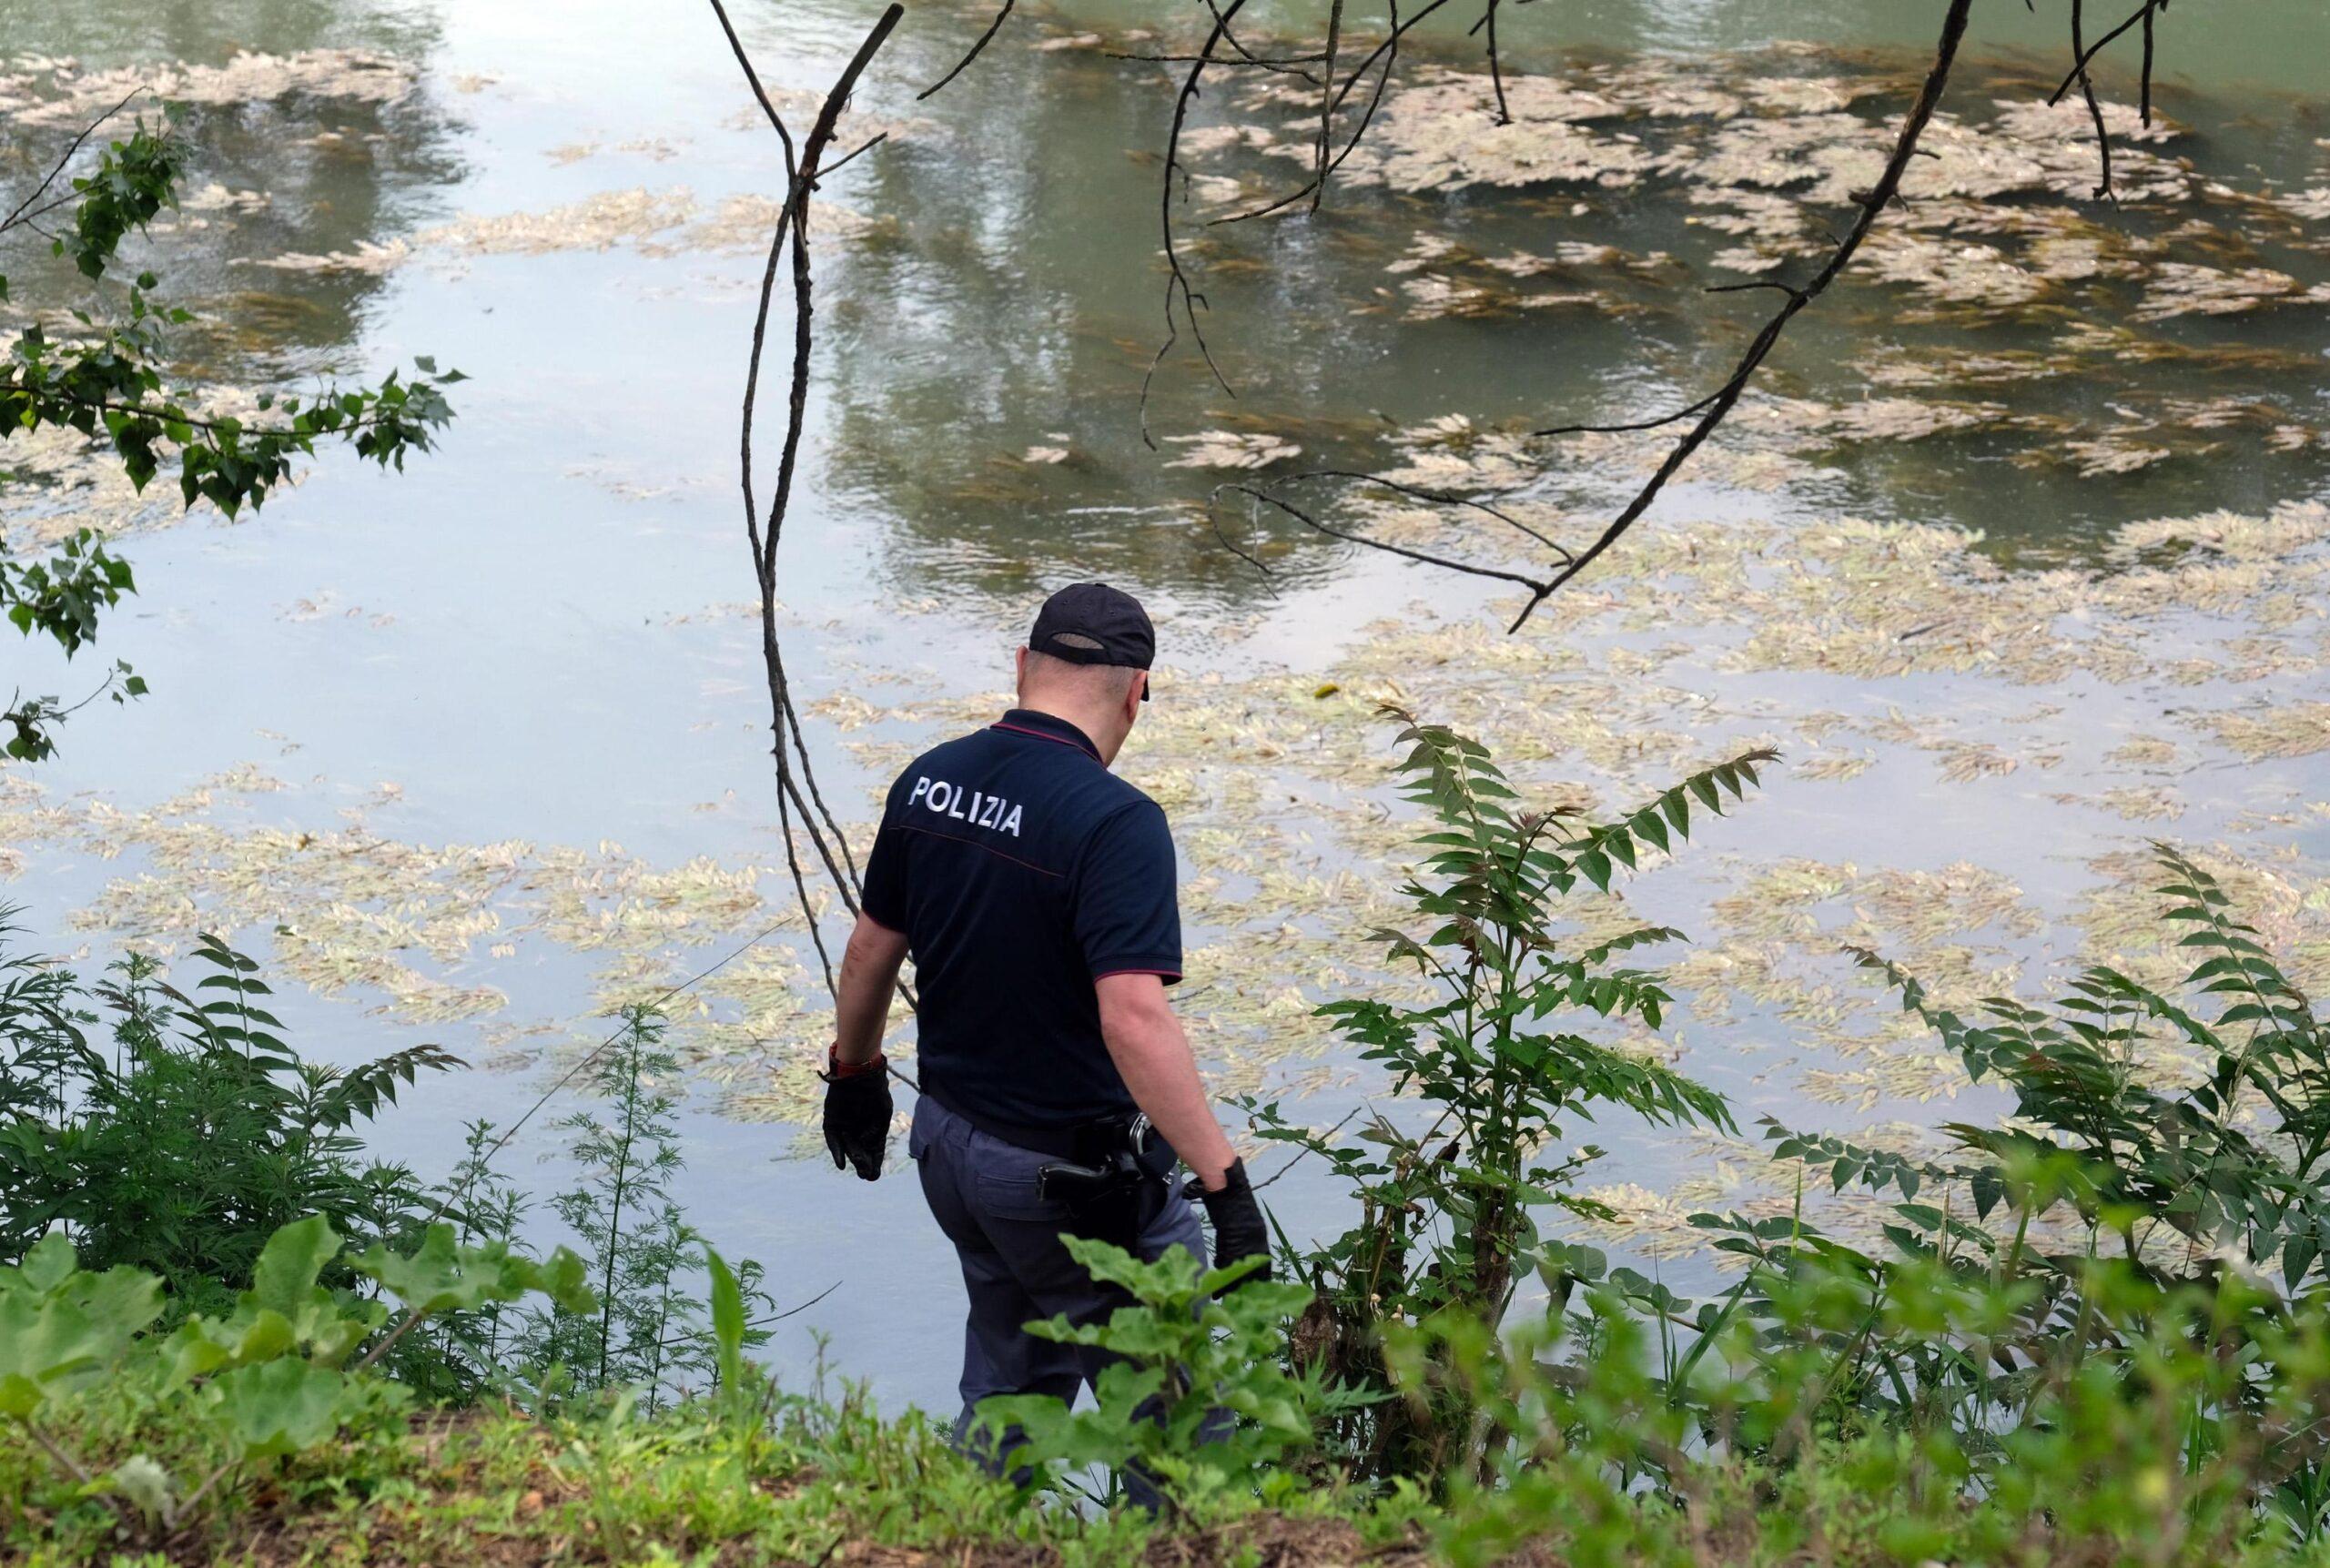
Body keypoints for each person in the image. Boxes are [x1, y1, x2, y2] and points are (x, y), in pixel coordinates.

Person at [817, 580, 1270, 1459]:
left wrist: (854, 1077)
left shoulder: (931, 779)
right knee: (1179, 1427)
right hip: (1070, 1185)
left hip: (950, 1150)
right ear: (1139, 691)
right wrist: (1225, 1184)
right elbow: (1134, 1017)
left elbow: (872, 948)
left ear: (1024, 667)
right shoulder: (1116, 822)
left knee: (1013, 1394)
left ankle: (958, 1542)